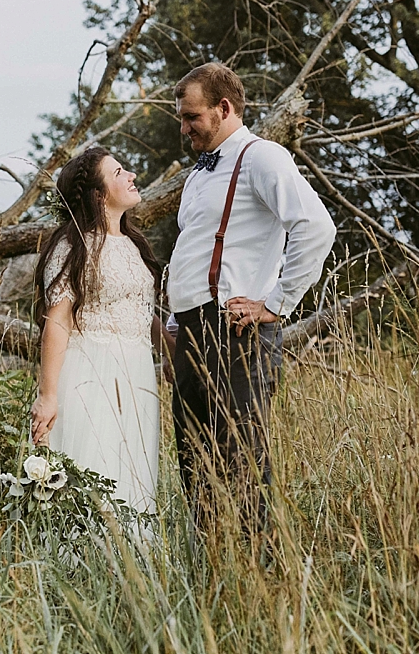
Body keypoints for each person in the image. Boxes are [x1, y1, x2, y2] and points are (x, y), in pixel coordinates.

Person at [166, 62, 335, 537]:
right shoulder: (199, 174)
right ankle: (213, 574)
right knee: (193, 462)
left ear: (224, 108)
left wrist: (276, 304)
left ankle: (261, 577)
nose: (184, 128)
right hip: (193, 332)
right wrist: (177, 327)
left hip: (237, 334)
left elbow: (316, 228)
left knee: (241, 465)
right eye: (181, 117)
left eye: (192, 117)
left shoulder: (263, 157)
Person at [30, 146, 164, 515]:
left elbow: (137, 309)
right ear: (99, 194)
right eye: (119, 172)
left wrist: (173, 351)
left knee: (131, 467)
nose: (131, 176)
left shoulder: (135, 244)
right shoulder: (70, 247)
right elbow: (57, 321)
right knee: (95, 463)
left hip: (136, 373)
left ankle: (130, 561)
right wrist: (48, 395)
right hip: (90, 370)